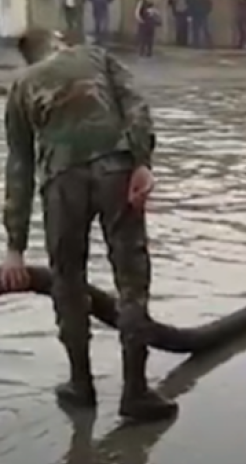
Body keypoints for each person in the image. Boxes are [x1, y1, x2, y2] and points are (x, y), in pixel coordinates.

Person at [0, 28, 177, 422]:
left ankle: (81, 386)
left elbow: (19, 168)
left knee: (67, 281)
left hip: (61, 180)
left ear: (28, 57)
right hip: (117, 167)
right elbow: (135, 105)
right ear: (59, 41)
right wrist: (143, 161)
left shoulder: (22, 87)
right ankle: (136, 391)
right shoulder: (95, 56)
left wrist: (15, 248)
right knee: (131, 281)